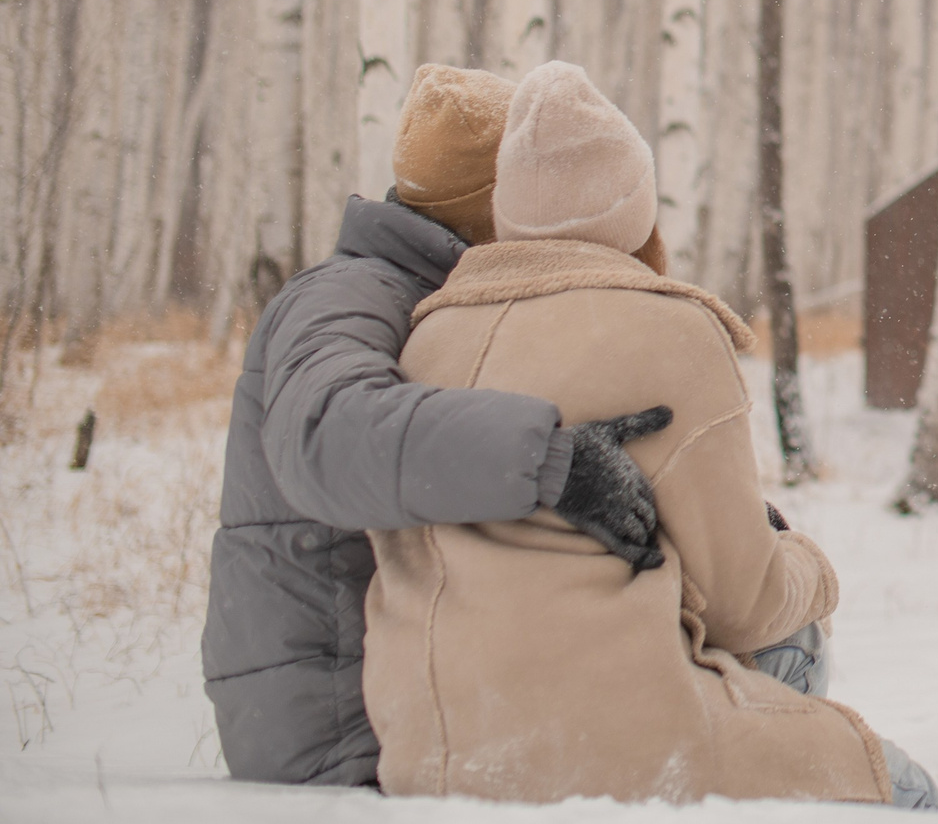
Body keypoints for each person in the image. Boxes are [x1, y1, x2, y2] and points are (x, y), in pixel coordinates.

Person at [363, 61, 938, 809]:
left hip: (428, 744)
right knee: (909, 789)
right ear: (631, 206)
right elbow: (745, 601)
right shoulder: (668, 330)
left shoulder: (425, 335)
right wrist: (810, 563)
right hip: (605, 753)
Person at [203, 65, 669, 786]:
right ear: (499, 197)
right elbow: (326, 435)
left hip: (413, 689)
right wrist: (553, 461)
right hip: (341, 727)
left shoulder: (445, 301)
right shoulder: (348, 294)